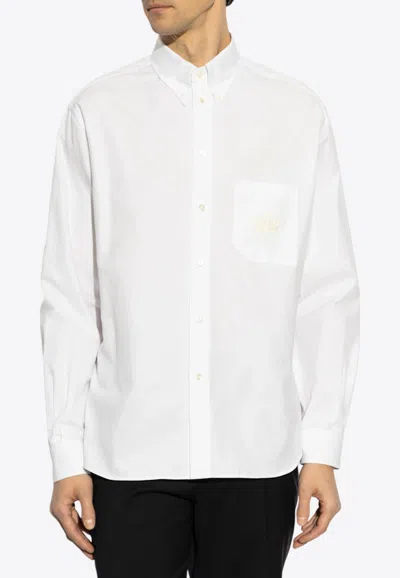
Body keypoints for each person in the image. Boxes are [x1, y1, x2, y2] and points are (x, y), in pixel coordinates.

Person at [39, 0, 360, 576]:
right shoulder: (98, 112)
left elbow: (325, 292)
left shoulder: (295, 114)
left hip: (256, 454)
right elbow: (70, 295)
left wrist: (323, 447)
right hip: (128, 456)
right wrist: (66, 453)